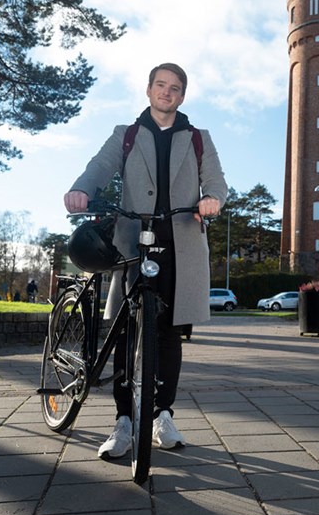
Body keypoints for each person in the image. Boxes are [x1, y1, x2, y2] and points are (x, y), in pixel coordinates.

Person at [63, 62, 227, 460]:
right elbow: (100, 167)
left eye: (175, 88)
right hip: (132, 240)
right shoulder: (127, 135)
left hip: (181, 242)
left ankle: (162, 415)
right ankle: (123, 421)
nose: (166, 93)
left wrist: (213, 200)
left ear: (182, 96)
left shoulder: (198, 138)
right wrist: (82, 189)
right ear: (149, 89)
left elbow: (217, 180)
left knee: (169, 333)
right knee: (126, 331)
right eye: (160, 85)